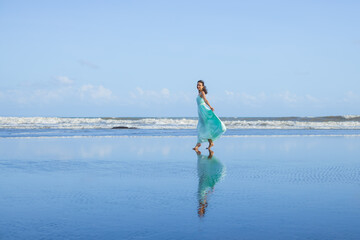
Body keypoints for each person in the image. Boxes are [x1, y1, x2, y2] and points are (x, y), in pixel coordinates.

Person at [193, 80, 226, 151]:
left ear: (203, 86)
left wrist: (210, 106)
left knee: (202, 126)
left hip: (203, 110)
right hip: (200, 111)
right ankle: (209, 142)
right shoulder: (199, 93)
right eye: (197, 85)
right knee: (204, 127)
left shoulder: (202, 92)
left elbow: (205, 100)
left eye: (199, 85)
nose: (198, 86)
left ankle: (198, 145)